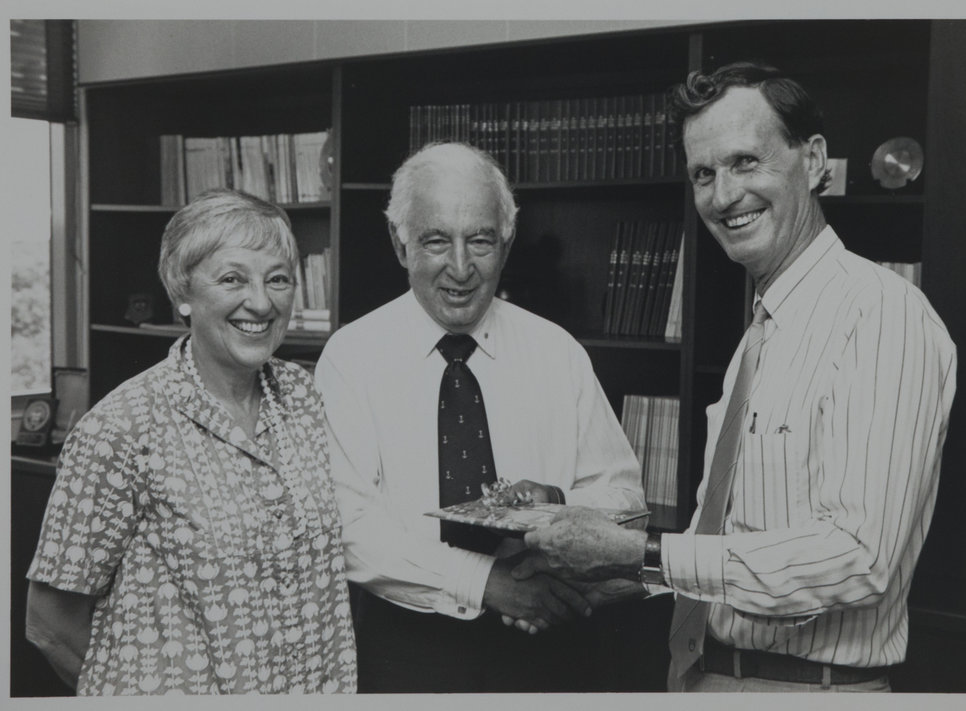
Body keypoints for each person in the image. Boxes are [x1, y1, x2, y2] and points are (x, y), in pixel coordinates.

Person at [515, 62, 957, 693]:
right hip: (706, 674)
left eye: (746, 162)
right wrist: (607, 574)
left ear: (813, 160)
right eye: (704, 173)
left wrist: (637, 552)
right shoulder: (763, 330)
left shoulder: (881, 314)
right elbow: (734, 551)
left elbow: (858, 558)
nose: (723, 196)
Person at [314, 141, 648, 692]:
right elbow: (351, 528)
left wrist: (558, 505)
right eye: (436, 240)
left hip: (550, 639)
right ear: (400, 244)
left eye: (480, 240)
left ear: (506, 244)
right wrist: (488, 583)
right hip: (408, 650)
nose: (461, 268)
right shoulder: (351, 359)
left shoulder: (557, 352)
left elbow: (627, 504)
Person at [25, 189, 357, 695]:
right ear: (182, 292)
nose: (261, 302)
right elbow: (49, 624)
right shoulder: (121, 428)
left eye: (278, 279)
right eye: (232, 279)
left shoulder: (305, 396)